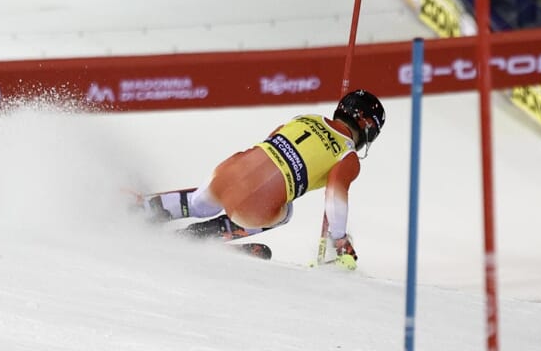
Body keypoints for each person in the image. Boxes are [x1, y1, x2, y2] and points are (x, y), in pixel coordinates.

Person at [138, 89, 386, 268]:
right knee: (286, 211)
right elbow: (335, 195)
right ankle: (200, 236)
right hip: (256, 207)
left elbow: (273, 139)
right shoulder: (348, 155)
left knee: (198, 202)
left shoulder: (306, 117)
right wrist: (339, 238)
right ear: (368, 129)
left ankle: (145, 209)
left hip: (229, 172)